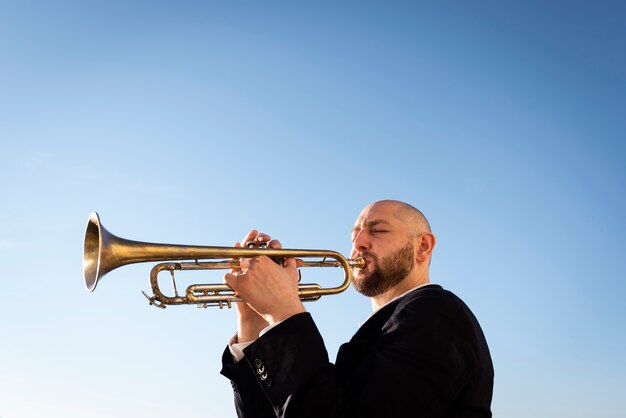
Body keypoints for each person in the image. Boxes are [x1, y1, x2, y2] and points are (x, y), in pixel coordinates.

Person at [221, 200, 494, 417]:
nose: (358, 243)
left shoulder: (438, 315)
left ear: (422, 246)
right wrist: (253, 321)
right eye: (355, 235)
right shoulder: (386, 328)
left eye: (378, 230)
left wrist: (284, 311)